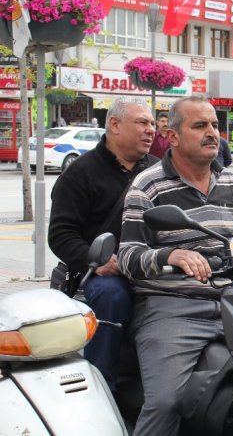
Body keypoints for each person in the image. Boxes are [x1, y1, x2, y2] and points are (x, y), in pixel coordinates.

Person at [118, 96, 233, 435]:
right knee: (165, 402)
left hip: (231, 302)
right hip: (171, 307)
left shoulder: (230, 183)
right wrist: (170, 256)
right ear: (172, 137)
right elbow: (129, 257)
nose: (213, 134)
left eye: (215, 126)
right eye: (200, 126)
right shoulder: (148, 185)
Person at [48, 96, 159, 393]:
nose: (151, 130)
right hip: (104, 273)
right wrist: (94, 260)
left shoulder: (159, 171)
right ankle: (103, 389)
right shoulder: (80, 173)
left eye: (152, 123)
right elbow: (61, 234)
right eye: (141, 123)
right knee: (112, 296)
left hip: (151, 267)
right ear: (114, 125)